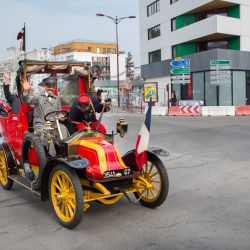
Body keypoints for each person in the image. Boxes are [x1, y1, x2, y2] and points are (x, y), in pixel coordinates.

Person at [21, 76, 68, 155]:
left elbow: (59, 112)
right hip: (40, 123)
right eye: (48, 86)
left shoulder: (57, 99)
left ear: (55, 87)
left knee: (63, 128)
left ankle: (64, 152)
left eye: (53, 86)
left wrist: (62, 117)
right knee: (45, 133)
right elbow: (27, 100)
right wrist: (25, 91)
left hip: (54, 124)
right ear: (45, 86)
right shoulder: (38, 97)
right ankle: (50, 156)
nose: (50, 88)